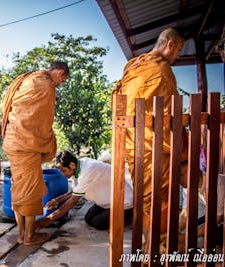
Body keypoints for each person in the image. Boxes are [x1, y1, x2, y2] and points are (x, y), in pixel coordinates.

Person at [112, 27, 185, 252]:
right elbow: (169, 116)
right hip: (154, 145)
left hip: (133, 143)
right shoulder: (162, 71)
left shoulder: (133, 65)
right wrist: (184, 145)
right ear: (170, 44)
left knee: (146, 200)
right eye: (179, 50)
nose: (178, 56)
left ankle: (150, 244)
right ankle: (159, 245)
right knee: (159, 199)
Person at [2, 61, 69, 246]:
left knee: (19, 189)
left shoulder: (28, 78)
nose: (59, 84)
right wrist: (48, 142)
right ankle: (29, 237)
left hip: (12, 140)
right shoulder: (46, 85)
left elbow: (23, 112)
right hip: (26, 144)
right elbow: (42, 120)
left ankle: (22, 235)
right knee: (31, 191)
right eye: (62, 80)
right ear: (60, 72)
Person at [35, 151, 133, 230]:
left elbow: (74, 200)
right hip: (108, 201)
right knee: (88, 219)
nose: (62, 174)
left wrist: (50, 218)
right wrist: (56, 200)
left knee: (97, 223)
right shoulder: (80, 165)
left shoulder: (88, 170)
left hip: (123, 202)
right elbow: (75, 191)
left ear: (72, 165)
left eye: (63, 170)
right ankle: (111, 212)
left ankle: (129, 214)